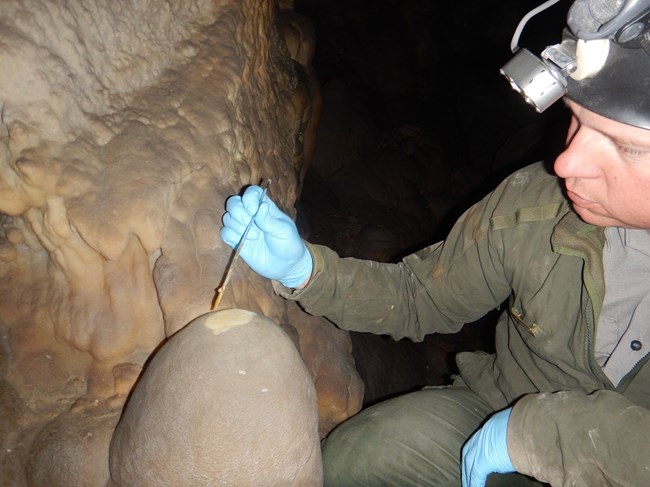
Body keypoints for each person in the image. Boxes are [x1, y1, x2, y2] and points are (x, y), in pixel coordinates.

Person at [220, 1, 650, 485]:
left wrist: (549, 435)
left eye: (625, 146)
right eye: (575, 118)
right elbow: (421, 296)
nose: (567, 162)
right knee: (359, 457)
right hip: (506, 404)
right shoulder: (537, 202)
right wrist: (306, 271)